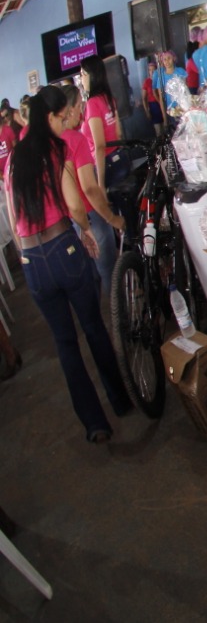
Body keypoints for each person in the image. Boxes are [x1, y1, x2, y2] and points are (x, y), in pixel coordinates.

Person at [5, 85, 132, 442]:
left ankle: (94, 424)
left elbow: (13, 220)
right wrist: (86, 231)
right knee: (93, 327)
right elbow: (76, 205)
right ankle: (120, 400)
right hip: (63, 248)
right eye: (63, 118)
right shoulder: (57, 150)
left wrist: (27, 254)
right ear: (50, 118)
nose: (66, 124)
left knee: (65, 343)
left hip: (31, 260)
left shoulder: (14, 160)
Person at [62, 84, 126, 296]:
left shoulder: (51, 142)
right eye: (79, 106)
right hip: (91, 213)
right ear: (69, 109)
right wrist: (111, 218)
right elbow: (89, 188)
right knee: (108, 268)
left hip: (69, 220)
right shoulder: (75, 139)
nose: (81, 111)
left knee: (89, 273)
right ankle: (119, 310)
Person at [78, 55, 120, 192]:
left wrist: (100, 184)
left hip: (104, 166)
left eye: (83, 74)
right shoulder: (108, 98)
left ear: (92, 76)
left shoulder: (92, 103)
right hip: (118, 159)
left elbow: (100, 146)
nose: (81, 79)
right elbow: (119, 134)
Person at [152, 50, 183, 121]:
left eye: (169, 58)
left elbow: (186, 90)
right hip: (171, 110)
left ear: (173, 58)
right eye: (164, 59)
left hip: (182, 107)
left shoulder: (180, 71)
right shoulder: (160, 76)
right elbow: (160, 97)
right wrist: (164, 117)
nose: (167, 61)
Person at [0, 100, 16, 180]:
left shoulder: (8, 130)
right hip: (2, 177)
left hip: (13, 169)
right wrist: (3, 177)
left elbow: (15, 148)